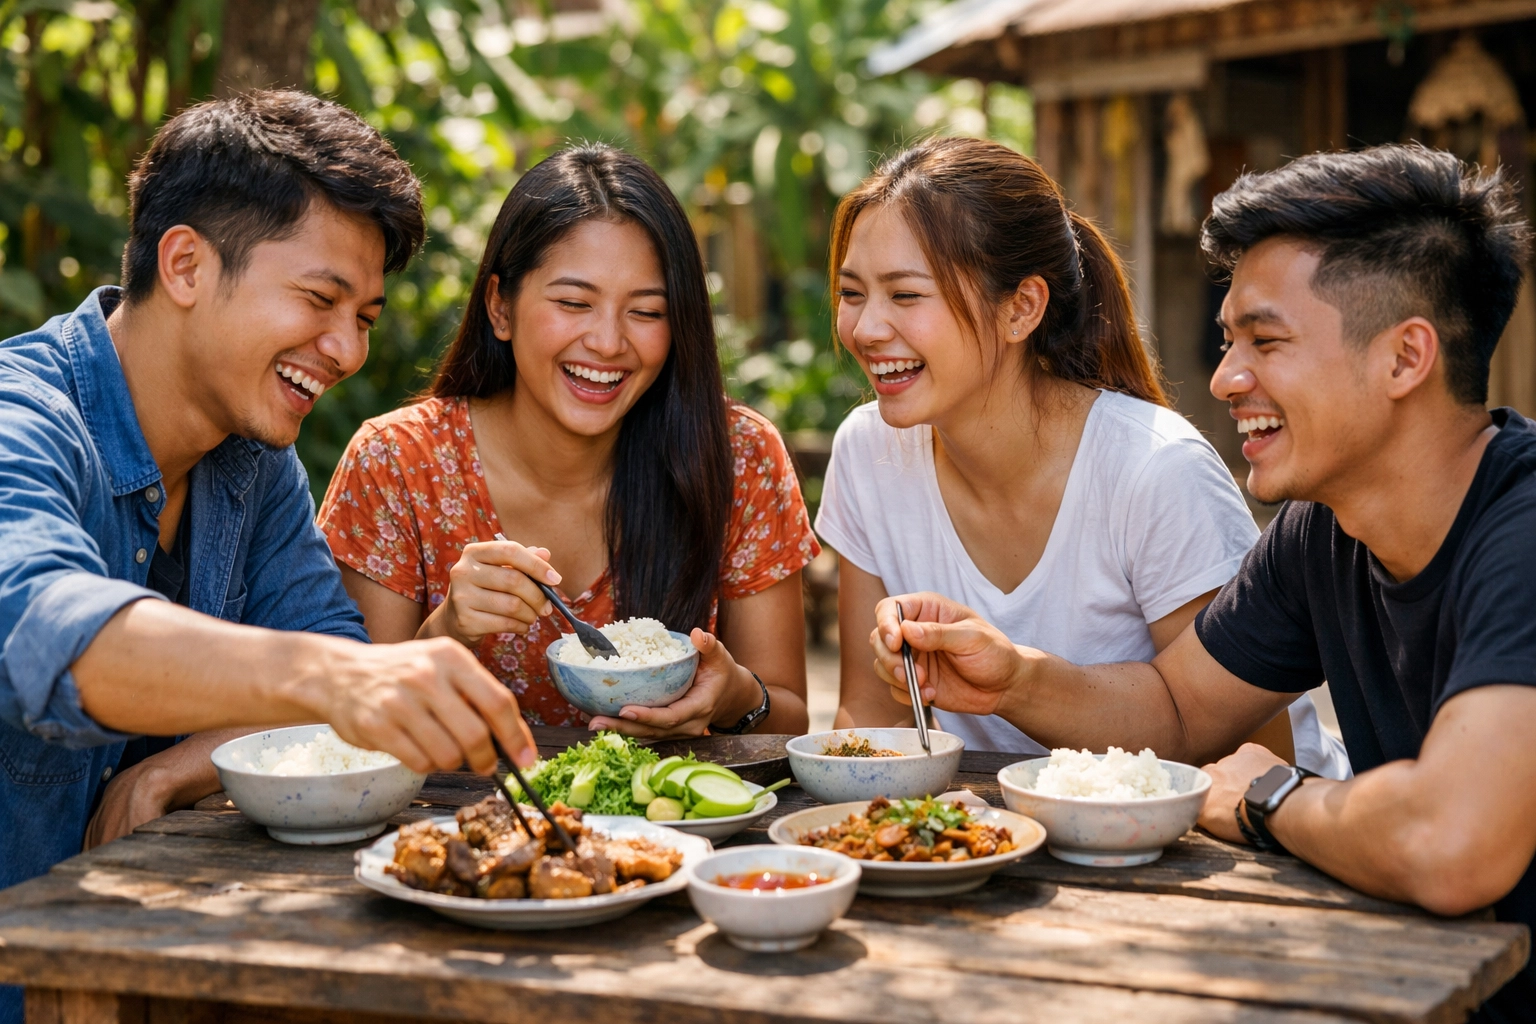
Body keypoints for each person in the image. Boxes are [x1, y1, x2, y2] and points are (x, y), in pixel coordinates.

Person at [867, 144, 1536, 1021]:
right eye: (1229, 343)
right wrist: (1014, 677)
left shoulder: (1521, 535)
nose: (1225, 379)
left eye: (1266, 341)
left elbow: (1453, 844)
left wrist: (1272, 795)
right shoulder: (1321, 533)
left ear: (1405, 359)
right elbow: (1178, 709)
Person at [0, 91, 539, 1020]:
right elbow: (43, 628)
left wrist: (176, 766)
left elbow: (335, 683)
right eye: (322, 299)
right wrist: (329, 676)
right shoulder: (24, 417)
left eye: (364, 315)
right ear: (185, 264)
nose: (346, 348)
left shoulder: (254, 461)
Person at [818, 135, 1346, 775]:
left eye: (905, 295)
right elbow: (873, 723)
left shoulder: (1156, 471)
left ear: (1021, 308)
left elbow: (1256, 761)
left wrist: (1019, 685)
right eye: (852, 294)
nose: (867, 329)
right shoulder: (867, 450)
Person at [319, 144, 818, 739]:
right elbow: (347, 724)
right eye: (573, 303)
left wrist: (734, 694)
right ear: (500, 308)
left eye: (646, 312)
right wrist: (447, 627)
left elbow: (789, 718)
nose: (607, 343)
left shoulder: (737, 455)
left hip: (679, 826)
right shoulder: (398, 463)